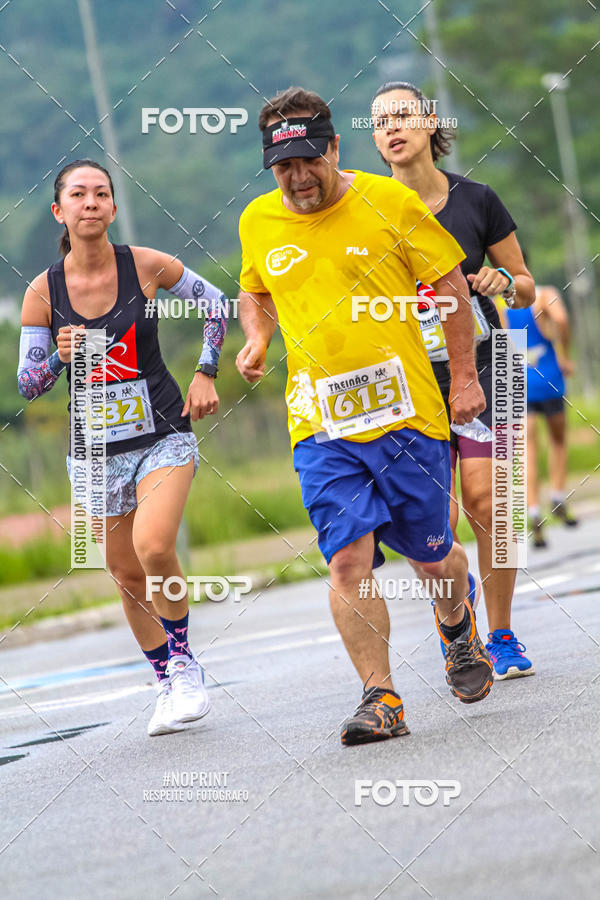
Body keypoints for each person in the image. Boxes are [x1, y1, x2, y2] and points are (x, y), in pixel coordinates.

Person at [236, 86, 494, 747]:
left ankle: (458, 626)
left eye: (308, 162)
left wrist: (465, 378)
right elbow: (255, 289)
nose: (297, 179)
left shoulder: (391, 202)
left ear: (334, 148)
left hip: (407, 416)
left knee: (436, 562)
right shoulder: (258, 220)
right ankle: (381, 699)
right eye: (283, 167)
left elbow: (451, 288)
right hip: (320, 426)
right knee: (349, 561)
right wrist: (257, 339)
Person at [17, 159, 227, 736]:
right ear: (60, 211)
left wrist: (206, 371)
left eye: (101, 194)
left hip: (162, 433)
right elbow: (27, 385)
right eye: (78, 195)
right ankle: (165, 680)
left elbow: (215, 303)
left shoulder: (146, 266)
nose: (91, 202)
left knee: (154, 547)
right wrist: (56, 358)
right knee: (122, 571)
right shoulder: (43, 290)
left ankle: (184, 665)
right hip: (90, 453)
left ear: (112, 208)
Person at [371, 81, 536, 681]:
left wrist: (499, 281)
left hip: (486, 366)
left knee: (490, 501)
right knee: (433, 520)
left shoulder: (477, 200)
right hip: (408, 379)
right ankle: (457, 627)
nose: (393, 127)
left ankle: (503, 633)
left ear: (429, 124)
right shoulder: (367, 210)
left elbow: (526, 286)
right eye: (381, 119)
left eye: (404, 115)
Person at [502, 279, 578, 547]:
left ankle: (533, 510)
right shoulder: (546, 294)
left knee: (527, 449)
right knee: (558, 440)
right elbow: (562, 319)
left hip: (519, 381)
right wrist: (564, 354)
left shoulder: (499, 303)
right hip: (549, 378)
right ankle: (557, 494)